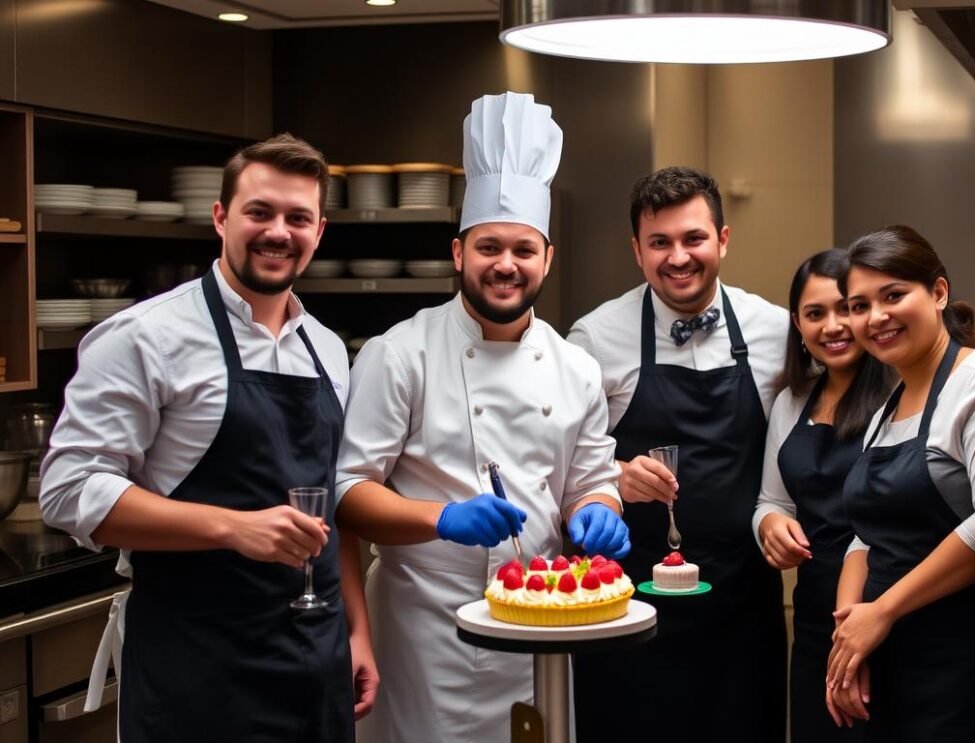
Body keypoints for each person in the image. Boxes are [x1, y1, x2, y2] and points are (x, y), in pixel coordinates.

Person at [39, 134, 375, 742]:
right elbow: (68, 489)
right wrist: (233, 527)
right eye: (260, 212)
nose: (279, 231)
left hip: (316, 662)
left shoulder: (325, 348)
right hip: (199, 668)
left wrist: (356, 630)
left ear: (319, 232)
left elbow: (334, 504)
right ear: (221, 218)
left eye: (298, 217)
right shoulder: (146, 337)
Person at [333, 92, 628, 743]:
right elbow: (346, 495)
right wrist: (440, 518)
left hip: (539, 625)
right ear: (458, 252)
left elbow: (590, 477)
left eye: (523, 249)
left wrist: (595, 510)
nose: (506, 264)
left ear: (546, 258)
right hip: (424, 631)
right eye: (488, 246)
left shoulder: (573, 365)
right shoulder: (398, 353)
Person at [568, 165, 789, 743]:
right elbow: (556, 462)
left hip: (743, 604)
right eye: (659, 242)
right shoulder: (594, 337)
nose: (678, 256)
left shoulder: (777, 331)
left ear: (722, 239)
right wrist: (614, 476)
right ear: (636, 250)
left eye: (693, 238)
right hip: (628, 605)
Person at [825, 225, 975, 740]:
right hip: (889, 653)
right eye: (859, 305)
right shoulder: (885, 409)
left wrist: (883, 611)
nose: (876, 317)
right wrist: (850, 636)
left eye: (894, 295)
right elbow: (865, 535)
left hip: (961, 651)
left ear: (938, 293)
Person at [753, 248, 890, 742]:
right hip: (814, 620)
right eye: (815, 314)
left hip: (887, 614)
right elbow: (772, 501)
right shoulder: (792, 400)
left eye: (845, 309)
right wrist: (769, 526)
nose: (832, 326)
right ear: (798, 324)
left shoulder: (902, 392)